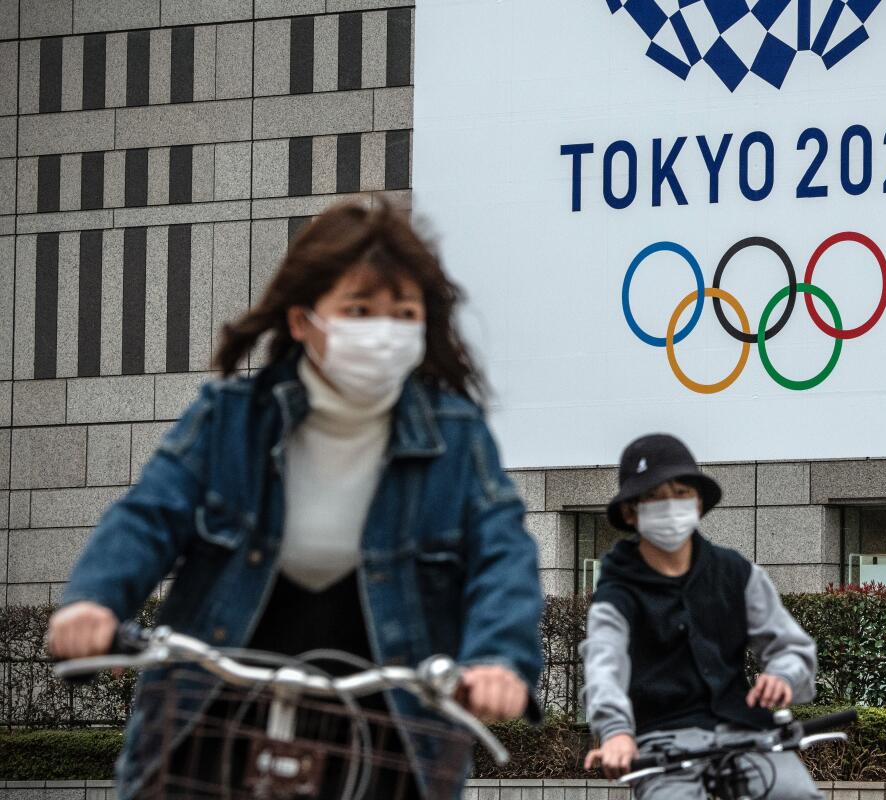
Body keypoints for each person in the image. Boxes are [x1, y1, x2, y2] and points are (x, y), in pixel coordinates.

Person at [45, 197, 544, 799]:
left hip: (388, 723)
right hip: (217, 714)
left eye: (402, 313)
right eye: (358, 310)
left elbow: (503, 553)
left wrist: (497, 661)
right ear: (303, 320)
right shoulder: (231, 418)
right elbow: (151, 513)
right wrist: (94, 601)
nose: (382, 334)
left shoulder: (455, 435)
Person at [581, 434, 822, 800]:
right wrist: (615, 732)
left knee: (797, 794)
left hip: (748, 734)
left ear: (697, 502)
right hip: (663, 743)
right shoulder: (616, 594)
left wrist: (783, 675)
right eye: (656, 497)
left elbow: (789, 644)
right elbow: (604, 667)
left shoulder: (736, 572)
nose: (671, 506)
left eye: (681, 493)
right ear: (631, 512)